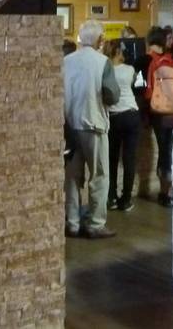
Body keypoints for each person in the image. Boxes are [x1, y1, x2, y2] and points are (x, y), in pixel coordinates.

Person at [64, 20, 120, 239]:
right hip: (94, 124)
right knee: (99, 176)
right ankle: (95, 223)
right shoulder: (103, 62)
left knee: (72, 177)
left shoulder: (66, 60)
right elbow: (112, 95)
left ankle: (72, 222)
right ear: (100, 39)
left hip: (70, 125)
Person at [102, 39, 139, 213]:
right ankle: (126, 200)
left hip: (113, 116)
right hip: (131, 114)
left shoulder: (104, 70)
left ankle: (111, 197)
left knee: (112, 159)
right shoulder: (130, 69)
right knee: (129, 159)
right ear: (118, 52)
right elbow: (136, 84)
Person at [144, 26, 173, 207]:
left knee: (164, 150)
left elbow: (146, 91)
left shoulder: (149, 61)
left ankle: (165, 191)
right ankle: (167, 190)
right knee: (168, 150)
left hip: (157, 112)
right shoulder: (172, 61)